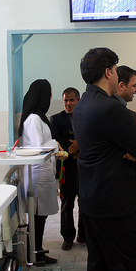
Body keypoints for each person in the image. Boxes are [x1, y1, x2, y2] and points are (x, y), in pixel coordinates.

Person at [73, 48, 136, 271]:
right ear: (108, 73)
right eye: (116, 70)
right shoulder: (111, 108)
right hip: (114, 204)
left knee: (99, 268)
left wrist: (128, 149)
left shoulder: (82, 105)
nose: (118, 74)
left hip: (91, 200)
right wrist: (130, 151)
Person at [18, 79, 59, 265]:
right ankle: (35, 253)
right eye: (49, 94)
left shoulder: (38, 117)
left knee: (40, 216)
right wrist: (55, 144)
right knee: (37, 215)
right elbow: (37, 147)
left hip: (43, 172)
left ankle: (37, 250)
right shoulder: (34, 118)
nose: (50, 98)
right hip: (37, 174)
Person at [114, 65, 136, 262]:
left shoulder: (126, 113)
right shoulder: (123, 115)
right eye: (134, 85)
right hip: (122, 184)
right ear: (121, 86)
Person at [50, 87, 85, 251]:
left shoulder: (86, 117)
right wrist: (73, 150)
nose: (68, 104)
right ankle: (67, 236)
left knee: (85, 202)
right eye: (65, 100)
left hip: (84, 166)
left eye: (71, 100)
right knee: (67, 203)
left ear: (78, 100)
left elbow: (93, 137)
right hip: (67, 167)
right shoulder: (56, 119)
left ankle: (83, 234)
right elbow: (55, 141)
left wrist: (80, 144)